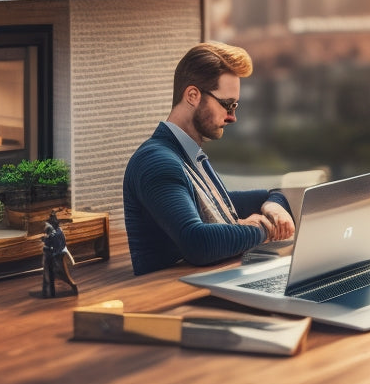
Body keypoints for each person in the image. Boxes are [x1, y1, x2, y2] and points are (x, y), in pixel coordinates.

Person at [123, 41, 295, 275]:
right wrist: (262, 229)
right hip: (169, 297)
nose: (232, 117)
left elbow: (267, 195)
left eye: (235, 105)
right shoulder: (157, 162)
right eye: (227, 105)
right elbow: (198, 243)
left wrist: (274, 206)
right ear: (193, 95)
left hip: (199, 285)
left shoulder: (191, 158)